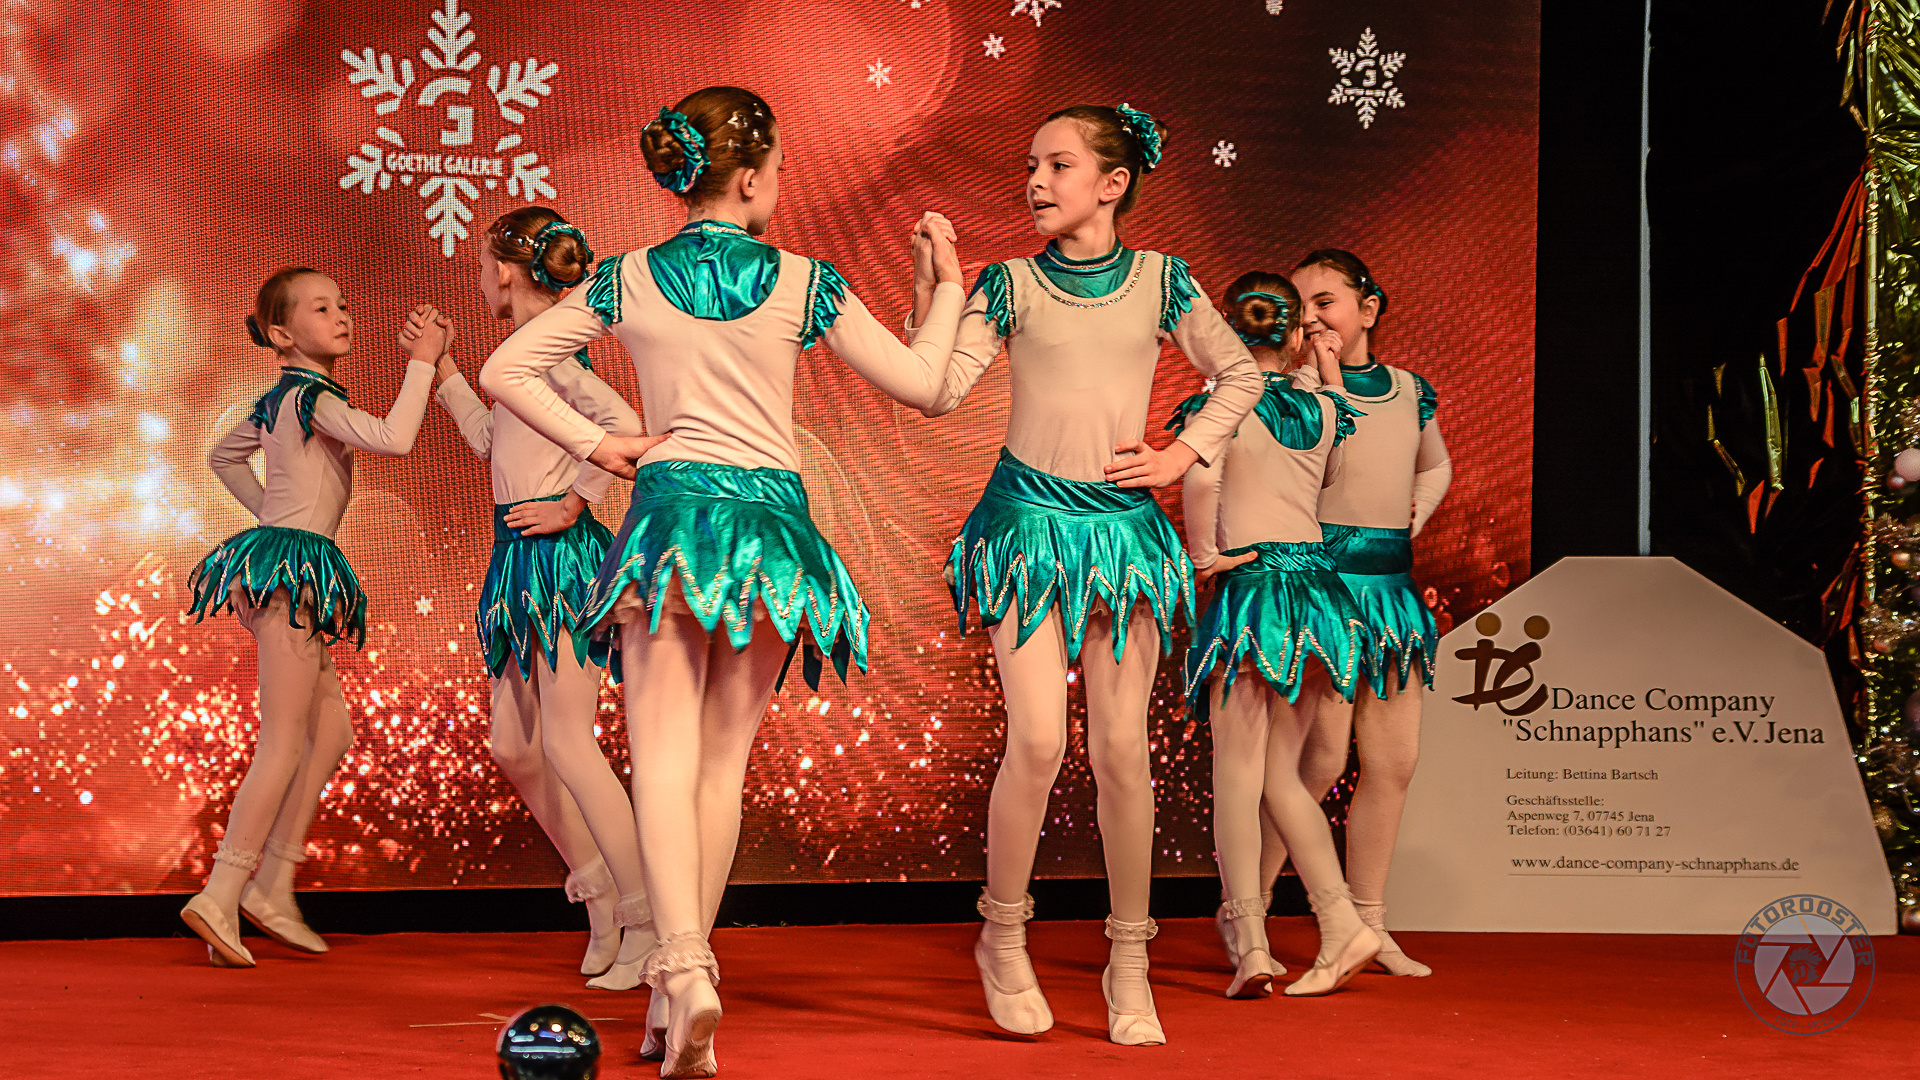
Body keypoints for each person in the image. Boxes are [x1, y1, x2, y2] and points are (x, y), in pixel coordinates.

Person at [477, 86, 968, 1079]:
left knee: (661, 758)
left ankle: (683, 972)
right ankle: (680, 984)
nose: (778, 185)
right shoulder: (806, 281)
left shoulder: (626, 277)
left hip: (672, 526)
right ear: (748, 180)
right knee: (717, 769)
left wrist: (601, 448)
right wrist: (945, 288)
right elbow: (931, 386)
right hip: (773, 535)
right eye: (778, 169)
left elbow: (505, 370)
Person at [909, 103, 1262, 1046]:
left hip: (1121, 537)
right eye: (1031, 164)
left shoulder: (1161, 280)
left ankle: (1129, 960)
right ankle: (1003, 936)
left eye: (1058, 165)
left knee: (1120, 753)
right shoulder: (1010, 284)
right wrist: (933, 286)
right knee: (1037, 742)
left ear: (1113, 183)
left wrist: (1180, 453)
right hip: (1025, 527)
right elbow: (938, 390)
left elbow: (1239, 374)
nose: (1036, 180)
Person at [418, 206, 658, 986]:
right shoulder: (519, 357)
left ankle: (646, 922)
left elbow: (624, 421)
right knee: (515, 747)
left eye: (482, 267)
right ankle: (600, 892)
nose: (480, 280)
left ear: (504, 271)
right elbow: (496, 440)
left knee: (565, 742)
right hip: (517, 561)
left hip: (558, 563)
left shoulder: (553, 358)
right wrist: (446, 371)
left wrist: (577, 500)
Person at [180, 268, 442, 966]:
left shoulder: (282, 400)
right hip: (291, 575)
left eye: (343, 303)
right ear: (281, 334)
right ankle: (222, 891)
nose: (342, 314)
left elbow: (224, 457)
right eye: (321, 308)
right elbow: (395, 438)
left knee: (330, 731)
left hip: (284, 567)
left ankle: (272, 884)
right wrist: (422, 363)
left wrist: (275, 520)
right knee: (283, 741)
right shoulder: (312, 397)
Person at [1175, 272, 1379, 998]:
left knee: (1238, 775)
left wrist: (1205, 555)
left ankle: (1254, 944)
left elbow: (1200, 480)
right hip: (1318, 593)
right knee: (1281, 777)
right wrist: (1318, 374)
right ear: (1294, 333)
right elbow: (1333, 479)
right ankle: (1338, 920)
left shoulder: (1219, 406)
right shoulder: (1324, 407)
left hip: (1254, 590)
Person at [1252, 249, 1452, 978]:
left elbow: (1433, 463)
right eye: (1298, 305)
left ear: (1368, 308)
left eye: (1325, 301)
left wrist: (1414, 513)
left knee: (1394, 762)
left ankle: (1369, 922)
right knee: (1319, 762)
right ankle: (1250, 914)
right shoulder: (1294, 393)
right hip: (1323, 588)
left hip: (1391, 591)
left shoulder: (1408, 390)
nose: (1311, 317)